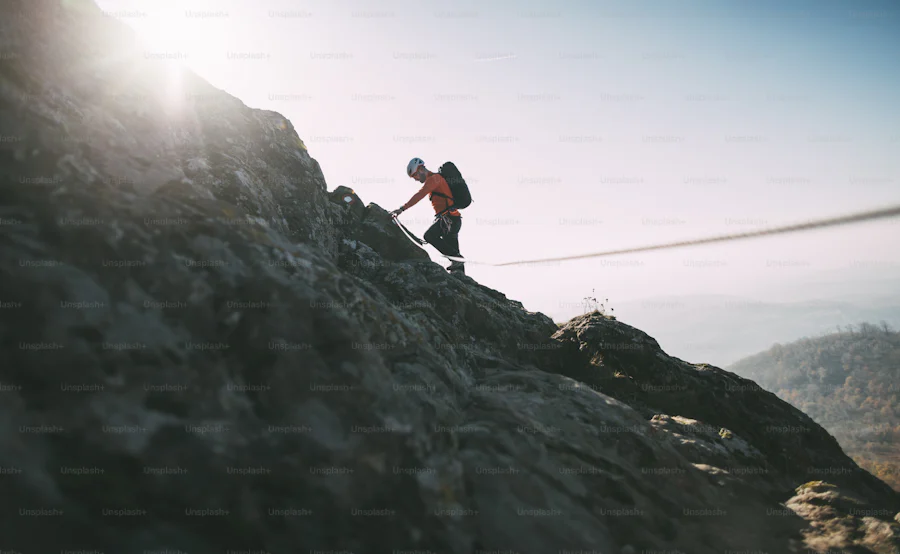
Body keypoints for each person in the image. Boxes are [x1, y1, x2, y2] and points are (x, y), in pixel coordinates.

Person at [389, 158, 465, 275]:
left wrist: (401, 209)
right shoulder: (436, 179)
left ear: (420, 170)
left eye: (415, 176)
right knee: (454, 252)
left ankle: (457, 260)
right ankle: (461, 276)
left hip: (448, 219)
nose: (416, 179)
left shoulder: (433, 179)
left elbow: (420, 194)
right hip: (453, 219)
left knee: (429, 236)